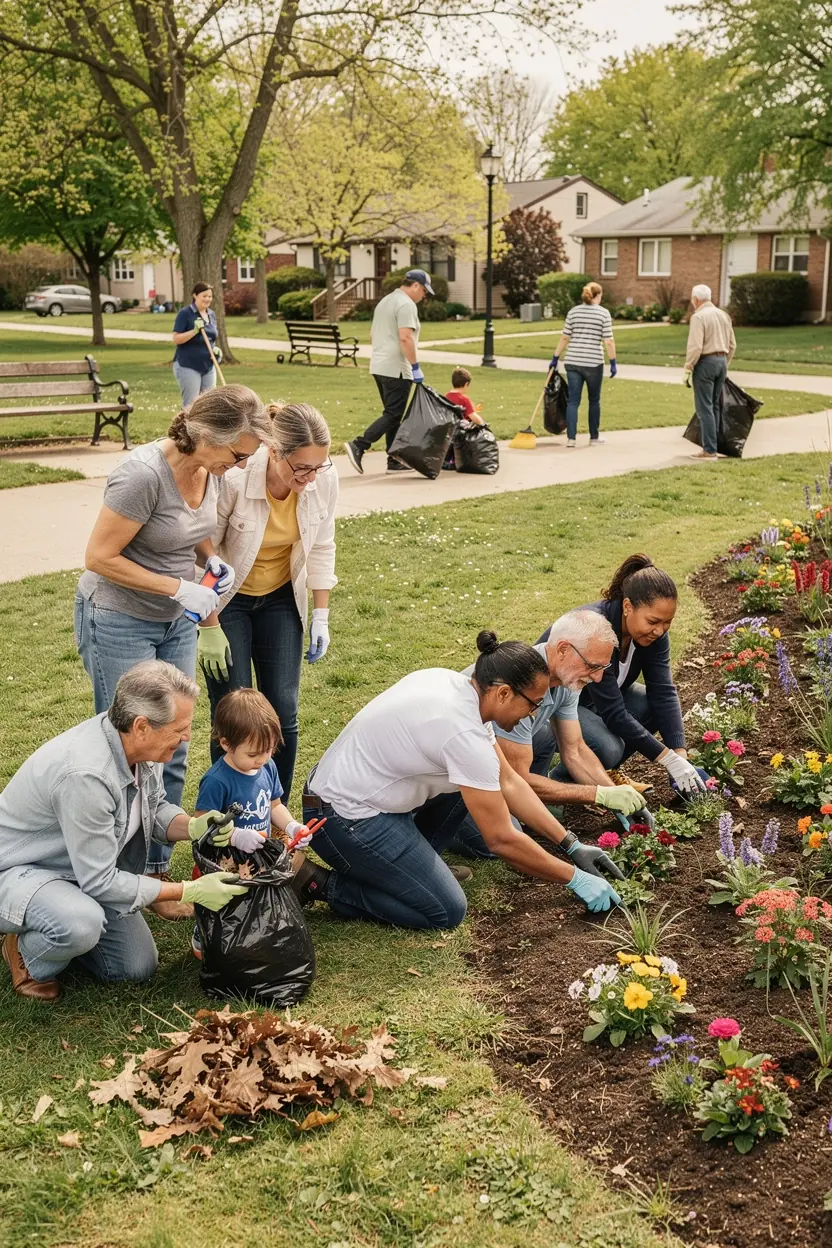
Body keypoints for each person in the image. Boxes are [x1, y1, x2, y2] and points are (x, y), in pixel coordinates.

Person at [75, 386, 271, 899]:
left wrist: (209, 559)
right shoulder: (141, 476)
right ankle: (119, 874)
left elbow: (190, 527)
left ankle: (156, 869)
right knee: (132, 747)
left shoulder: (211, 469)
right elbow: (99, 557)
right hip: (120, 617)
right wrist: (177, 587)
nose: (239, 465)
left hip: (176, 618)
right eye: (238, 455)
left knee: (174, 740)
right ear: (207, 434)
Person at [296, 632, 622, 931]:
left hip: (359, 795)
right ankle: (318, 883)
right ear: (504, 693)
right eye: (533, 704)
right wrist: (574, 878)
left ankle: (414, 872)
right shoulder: (463, 735)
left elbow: (508, 781)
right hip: (341, 818)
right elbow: (501, 840)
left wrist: (570, 843)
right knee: (445, 909)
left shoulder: (460, 688)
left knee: (474, 784)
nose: (534, 714)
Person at [0, 661, 247, 1002]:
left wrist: (193, 826)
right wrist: (186, 891)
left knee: (135, 967)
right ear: (142, 726)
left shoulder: (140, 747)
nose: (187, 737)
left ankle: (65, 923)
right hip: (21, 870)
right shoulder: (87, 776)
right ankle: (26, 950)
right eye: (180, 728)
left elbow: (154, 808)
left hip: (80, 871)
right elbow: (100, 881)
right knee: (80, 925)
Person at [199, 401, 337, 801]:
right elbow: (202, 550)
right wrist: (209, 625)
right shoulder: (236, 478)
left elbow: (322, 545)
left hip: (280, 598)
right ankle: (226, 817)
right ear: (274, 451)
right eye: (302, 468)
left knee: (283, 712)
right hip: (229, 601)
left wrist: (321, 615)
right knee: (234, 714)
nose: (311, 478)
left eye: (319, 466)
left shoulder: (324, 480)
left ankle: (275, 816)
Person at [543, 554, 706, 798]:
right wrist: (668, 760)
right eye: (653, 621)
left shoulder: (652, 635)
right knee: (609, 747)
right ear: (628, 607)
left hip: (591, 702)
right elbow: (614, 713)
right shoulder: (599, 633)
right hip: (554, 705)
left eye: (667, 622)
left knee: (651, 706)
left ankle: (602, 774)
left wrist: (680, 754)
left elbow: (663, 691)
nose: (659, 630)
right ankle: (563, 784)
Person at [477, 610, 648, 816]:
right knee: (506, 831)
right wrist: (597, 795)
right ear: (563, 650)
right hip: (462, 781)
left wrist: (616, 795)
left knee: (544, 737)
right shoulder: (520, 686)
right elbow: (516, 778)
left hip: (493, 769)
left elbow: (575, 750)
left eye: (603, 667)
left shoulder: (567, 679)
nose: (598, 678)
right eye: (592, 666)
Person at [191, 687, 318, 960]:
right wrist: (235, 836)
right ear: (226, 744)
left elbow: (274, 805)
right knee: (225, 899)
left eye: (268, 750)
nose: (261, 758)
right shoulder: (216, 781)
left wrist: (292, 826)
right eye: (252, 754)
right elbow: (202, 824)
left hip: (259, 855)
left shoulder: (266, 767)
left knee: (256, 899)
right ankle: (203, 933)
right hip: (226, 859)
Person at [343, 269, 433, 475]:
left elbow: (372, 335)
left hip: (379, 365)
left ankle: (394, 460)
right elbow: (405, 338)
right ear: (416, 286)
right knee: (393, 414)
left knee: (393, 414)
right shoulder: (406, 304)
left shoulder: (385, 301)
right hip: (397, 368)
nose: (424, 296)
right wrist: (415, 366)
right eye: (424, 291)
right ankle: (359, 445)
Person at [549, 281, 617, 449]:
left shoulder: (573, 312)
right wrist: (613, 362)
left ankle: (571, 439)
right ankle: (594, 438)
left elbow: (565, 337)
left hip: (572, 361)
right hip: (593, 363)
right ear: (598, 296)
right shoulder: (603, 313)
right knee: (594, 400)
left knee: (573, 401)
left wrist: (555, 357)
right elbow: (608, 341)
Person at [683, 283, 736, 461]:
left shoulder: (698, 317)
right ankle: (715, 445)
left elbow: (696, 346)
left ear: (696, 299)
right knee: (714, 406)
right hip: (722, 362)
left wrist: (688, 366)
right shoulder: (724, 315)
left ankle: (709, 450)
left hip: (705, 363)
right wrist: (725, 363)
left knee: (704, 407)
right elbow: (732, 345)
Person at [171, 281, 220, 406]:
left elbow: (211, 338)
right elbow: (176, 339)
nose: (207, 299)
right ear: (195, 295)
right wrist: (194, 331)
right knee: (191, 405)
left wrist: (215, 350)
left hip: (208, 366)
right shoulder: (185, 313)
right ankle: (186, 420)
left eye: (210, 296)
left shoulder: (211, 314)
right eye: (204, 296)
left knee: (208, 405)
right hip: (188, 365)